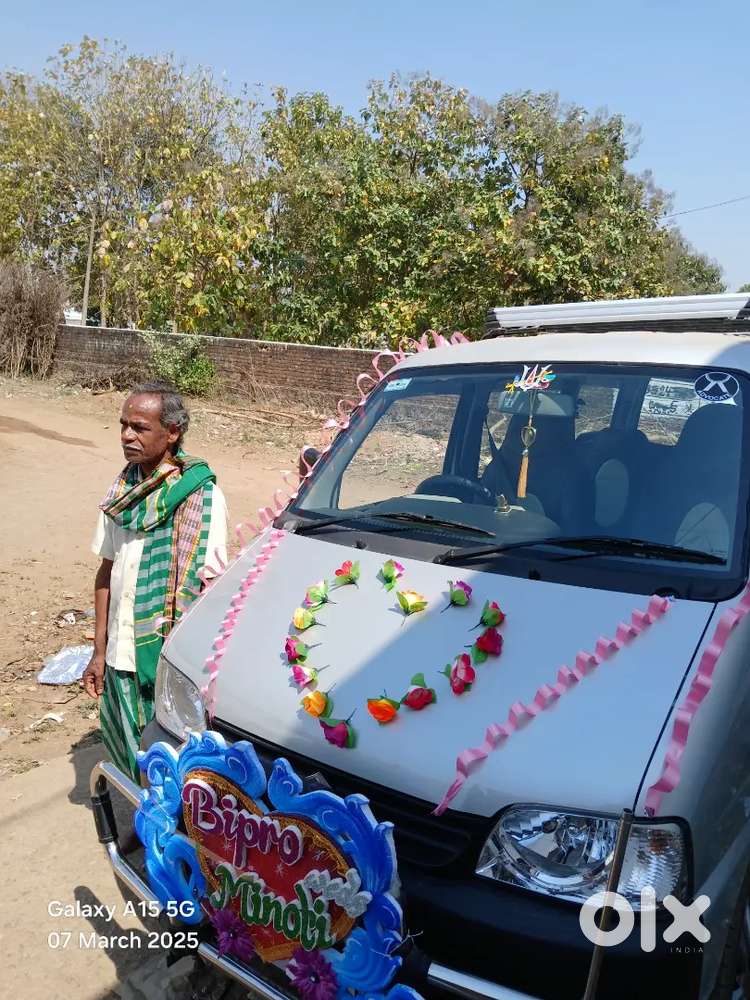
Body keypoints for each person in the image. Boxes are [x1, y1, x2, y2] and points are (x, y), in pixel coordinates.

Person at [82, 382, 228, 782]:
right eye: (124, 425)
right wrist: (98, 650)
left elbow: (208, 588)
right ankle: (140, 815)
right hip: (119, 650)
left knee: (171, 757)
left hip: (167, 656)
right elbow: (106, 571)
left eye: (141, 427)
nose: (127, 436)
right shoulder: (121, 493)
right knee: (127, 749)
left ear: (173, 433)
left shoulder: (200, 495)